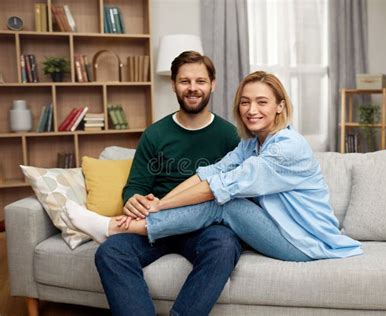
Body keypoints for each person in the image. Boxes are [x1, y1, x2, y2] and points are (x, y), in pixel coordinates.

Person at [64, 71, 363, 266]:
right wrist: (159, 202)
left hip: (304, 243)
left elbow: (219, 188)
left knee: (226, 204)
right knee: (220, 194)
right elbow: (207, 174)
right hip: (283, 231)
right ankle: (116, 226)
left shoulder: (287, 147)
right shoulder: (251, 143)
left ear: (280, 106)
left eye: (262, 102)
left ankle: (112, 227)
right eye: (245, 102)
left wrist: (160, 206)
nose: (251, 110)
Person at [71, 51, 242, 316]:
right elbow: (135, 185)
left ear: (212, 84)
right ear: (173, 84)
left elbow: (235, 190)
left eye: (200, 81)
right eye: (185, 81)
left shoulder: (228, 135)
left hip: (203, 227)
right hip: (153, 225)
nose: (193, 88)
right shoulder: (156, 134)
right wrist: (133, 199)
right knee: (110, 252)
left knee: (225, 245)